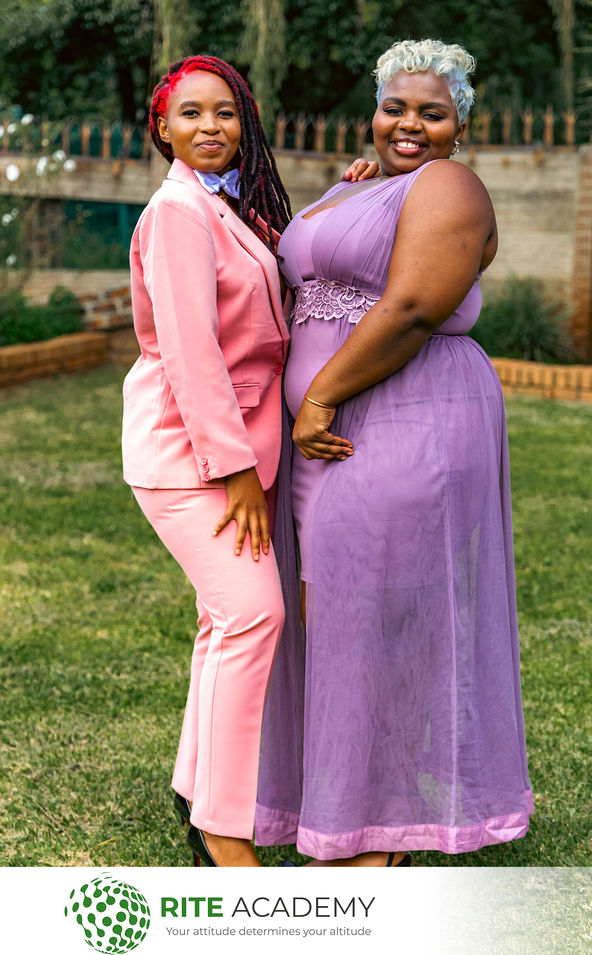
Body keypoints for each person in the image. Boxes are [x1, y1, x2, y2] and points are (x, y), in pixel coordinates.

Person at [255, 39, 533, 866]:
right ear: (374, 112)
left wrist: (319, 397)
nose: (410, 123)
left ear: (460, 128)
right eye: (395, 107)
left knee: (374, 615)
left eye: (432, 113)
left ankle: (384, 826)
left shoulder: (450, 186)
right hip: (326, 438)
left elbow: (412, 306)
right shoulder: (363, 184)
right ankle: (353, 802)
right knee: (333, 615)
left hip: (405, 419)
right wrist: (352, 194)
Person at [122, 54, 375, 867]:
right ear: (162, 128)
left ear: (246, 124)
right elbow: (191, 351)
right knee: (254, 614)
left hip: (238, 453)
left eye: (225, 112)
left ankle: (195, 787)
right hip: (189, 455)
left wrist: (343, 198)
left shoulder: (224, 207)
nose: (211, 126)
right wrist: (234, 471)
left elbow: (280, 272)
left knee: (222, 619)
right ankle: (223, 828)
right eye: (191, 113)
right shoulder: (176, 214)